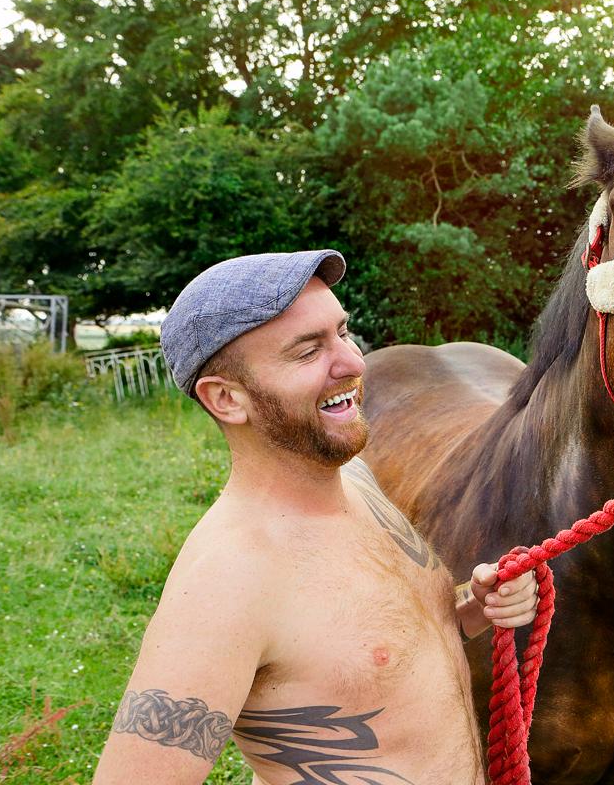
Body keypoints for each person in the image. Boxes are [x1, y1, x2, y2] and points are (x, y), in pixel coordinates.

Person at [93, 250, 537, 785]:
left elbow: (381, 651)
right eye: (307, 352)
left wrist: (475, 608)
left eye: (343, 333)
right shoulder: (226, 584)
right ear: (227, 399)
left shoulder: (359, 484)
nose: (353, 362)